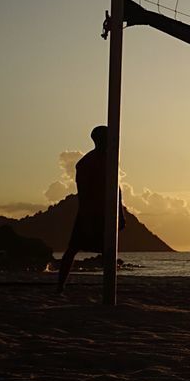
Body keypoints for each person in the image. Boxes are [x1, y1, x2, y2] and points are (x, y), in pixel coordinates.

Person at [56, 126, 125, 293]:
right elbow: (83, 193)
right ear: (100, 140)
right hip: (91, 212)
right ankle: (60, 286)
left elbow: (117, 187)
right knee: (73, 249)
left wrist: (120, 212)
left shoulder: (110, 159)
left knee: (107, 249)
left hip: (107, 212)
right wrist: (86, 217)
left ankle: (109, 288)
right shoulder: (86, 163)